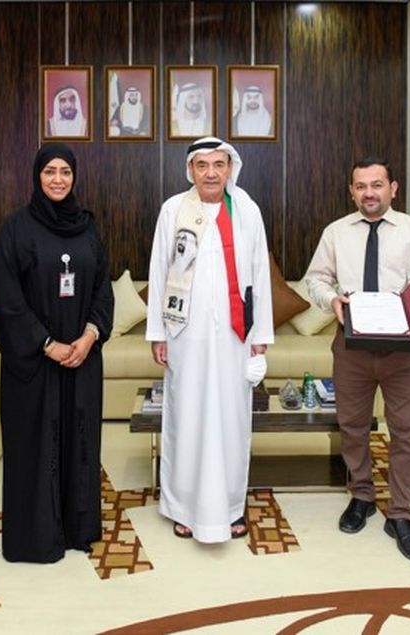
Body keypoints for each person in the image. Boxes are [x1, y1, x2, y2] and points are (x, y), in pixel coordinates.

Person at [304, 158, 410, 561]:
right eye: (361, 186)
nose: (369, 193)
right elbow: (315, 279)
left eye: (377, 184)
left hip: (406, 350)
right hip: (352, 346)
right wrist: (332, 301)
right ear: (351, 191)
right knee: (352, 426)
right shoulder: (336, 233)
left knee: (406, 432)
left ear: (393, 188)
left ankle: (399, 513)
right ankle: (361, 494)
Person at [146, 136, 273, 543]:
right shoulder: (173, 210)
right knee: (188, 416)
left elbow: (260, 273)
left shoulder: (248, 211)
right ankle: (184, 507)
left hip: (237, 335)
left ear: (231, 168)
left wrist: (261, 335)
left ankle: (230, 508)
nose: (212, 173)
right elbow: (159, 272)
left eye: (219, 164)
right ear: (191, 171)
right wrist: (157, 333)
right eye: (203, 166)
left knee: (232, 420)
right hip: (185, 334)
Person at [0, 143, 113, 563]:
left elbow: (103, 287)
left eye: (65, 171)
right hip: (35, 364)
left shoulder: (87, 227)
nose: (58, 179)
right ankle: (37, 537)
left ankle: (77, 528)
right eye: (49, 172)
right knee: (37, 446)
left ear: (74, 177)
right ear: (36, 176)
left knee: (78, 444)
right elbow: (7, 300)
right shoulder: (16, 228)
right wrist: (46, 344)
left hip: (81, 358)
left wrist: (89, 336)